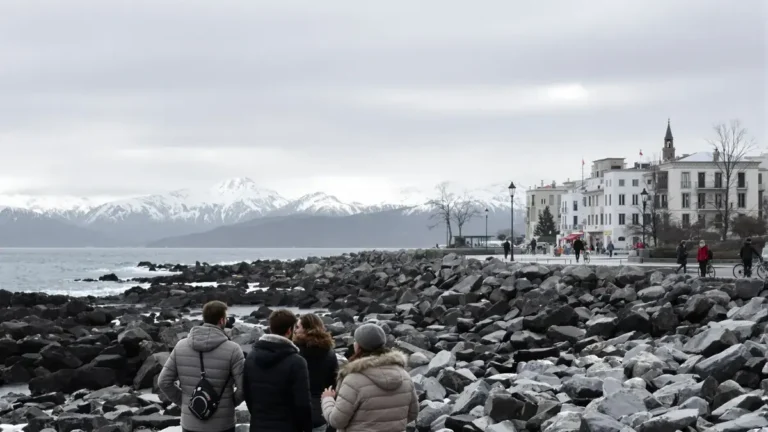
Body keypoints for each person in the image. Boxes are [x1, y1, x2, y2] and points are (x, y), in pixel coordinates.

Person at [158, 301, 245, 432]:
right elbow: (244, 387)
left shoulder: (180, 346)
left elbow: (163, 382)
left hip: (190, 422)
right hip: (222, 424)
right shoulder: (233, 349)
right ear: (222, 320)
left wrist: (186, 403)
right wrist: (229, 403)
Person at [321, 324, 418, 431]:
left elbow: (337, 421)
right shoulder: (404, 376)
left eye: (355, 340)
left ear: (358, 346)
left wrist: (327, 399)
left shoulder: (353, 380)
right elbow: (413, 414)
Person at [243, 309, 313, 432]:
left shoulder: (251, 356)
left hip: (258, 426)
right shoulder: (297, 362)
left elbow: (247, 394)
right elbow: (303, 404)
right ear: (289, 330)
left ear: (271, 328)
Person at [294, 314, 339, 432]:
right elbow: (334, 383)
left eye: (298, 327)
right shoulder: (330, 353)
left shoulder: (296, 352)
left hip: (298, 413)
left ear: (307, 329)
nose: (295, 330)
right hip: (322, 410)